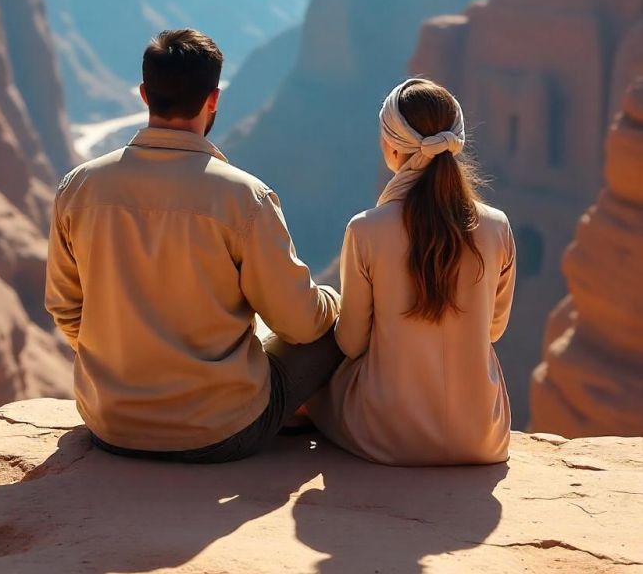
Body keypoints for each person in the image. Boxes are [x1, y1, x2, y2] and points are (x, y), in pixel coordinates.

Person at [46, 28, 341, 462]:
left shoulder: (80, 187)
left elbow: (66, 309)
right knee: (331, 328)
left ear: (145, 95)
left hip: (111, 426)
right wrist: (332, 303)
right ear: (214, 99)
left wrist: (125, 360)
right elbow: (300, 324)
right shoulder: (244, 198)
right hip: (220, 432)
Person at [307, 78, 516, 466]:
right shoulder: (497, 227)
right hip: (482, 437)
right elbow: (493, 329)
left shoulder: (366, 230)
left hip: (388, 435)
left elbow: (351, 343)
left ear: (392, 145)